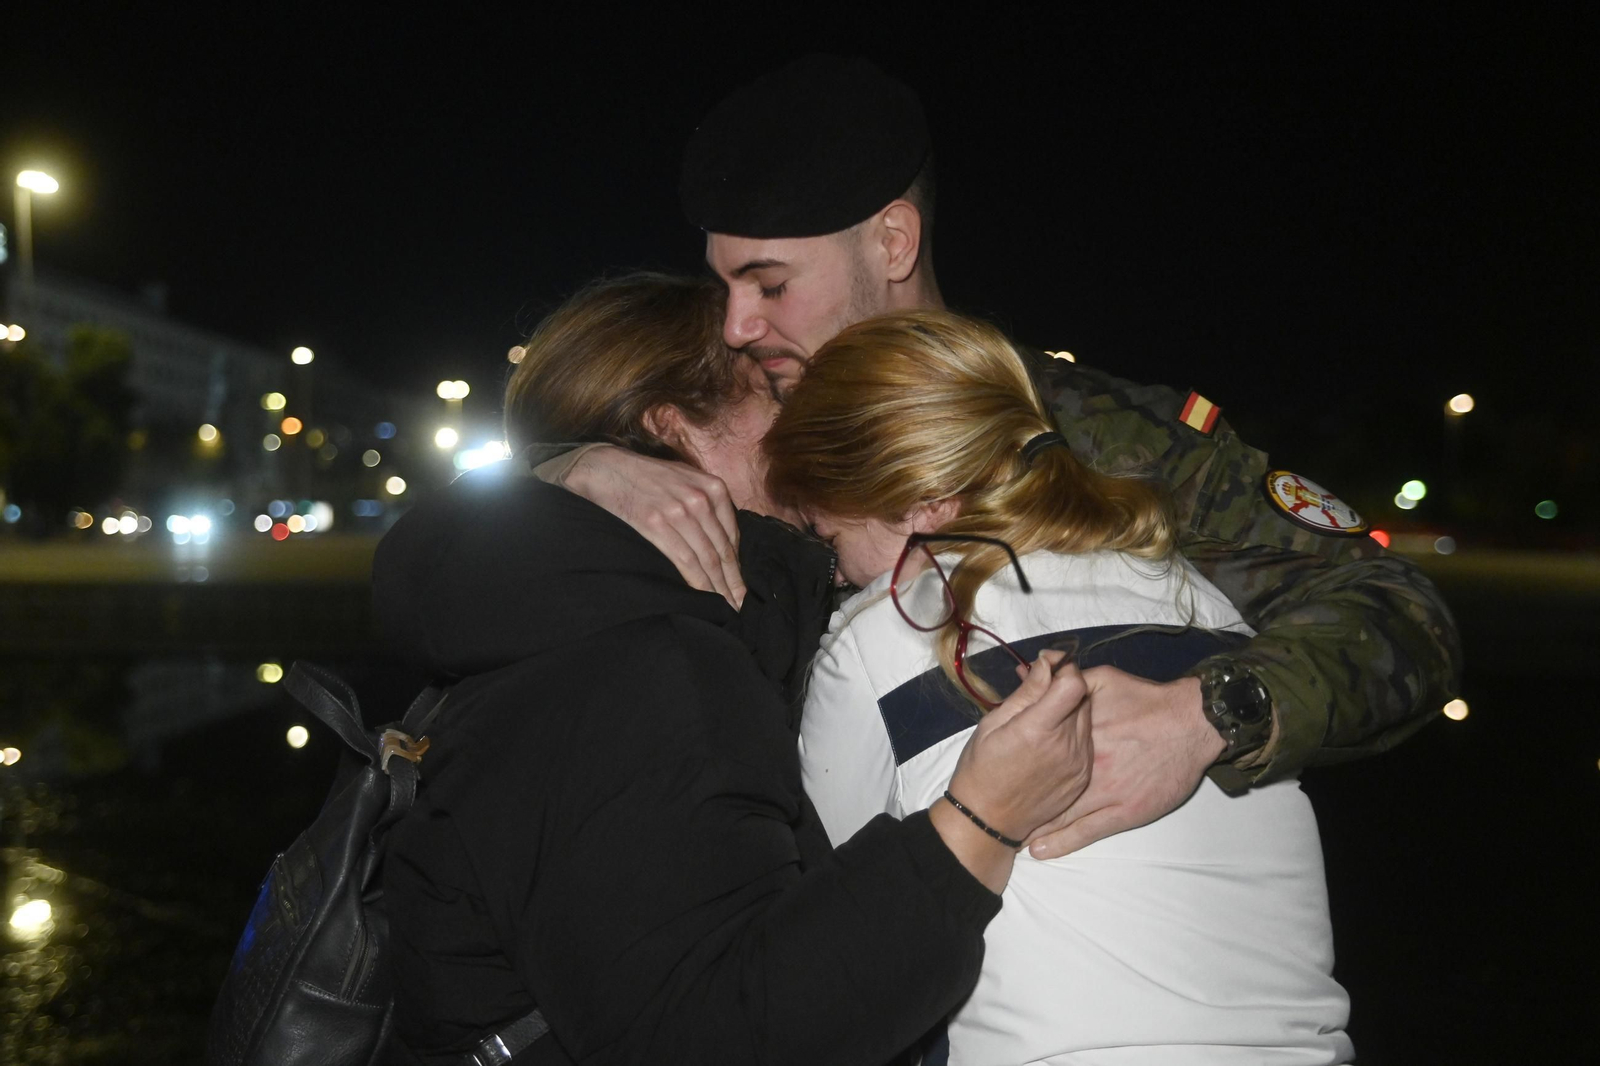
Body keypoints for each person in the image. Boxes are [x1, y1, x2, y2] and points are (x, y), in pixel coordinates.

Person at [531, 55, 1461, 860]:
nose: (737, 324)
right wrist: (569, 477)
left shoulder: (1092, 431)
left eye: (769, 285)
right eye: (726, 286)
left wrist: (1214, 713)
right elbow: (470, 579)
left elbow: (1398, 612)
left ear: (893, 241)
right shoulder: (736, 417)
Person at [374, 273, 1094, 1065]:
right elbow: (717, 1034)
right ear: (676, 429)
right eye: (782, 397)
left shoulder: (599, 615)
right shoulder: (648, 664)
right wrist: (981, 824)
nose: (821, 425)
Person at [765, 308, 1354, 1064]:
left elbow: (847, 925)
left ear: (922, 504)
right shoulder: (1209, 606)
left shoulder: (882, 634)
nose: (838, 574)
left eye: (830, 538)